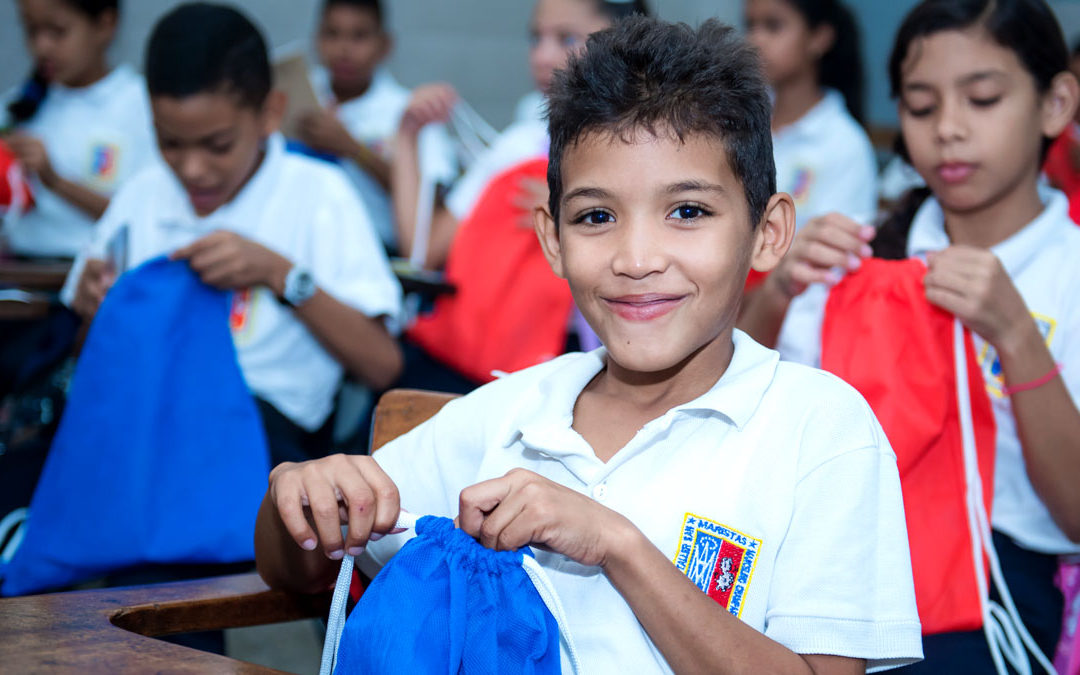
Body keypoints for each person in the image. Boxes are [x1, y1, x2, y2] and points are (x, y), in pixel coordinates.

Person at [255, 17, 923, 673]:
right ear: (553, 239)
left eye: (687, 211)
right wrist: (298, 496)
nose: (636, 258)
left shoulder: (819, 427)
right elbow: (295, 563)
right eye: (596, 216)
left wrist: (617, 543)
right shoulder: (511, 413)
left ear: (769, 232)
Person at [745, 0, 1080, 671]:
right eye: (921, 107)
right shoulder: (861, 255)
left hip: (995, 591)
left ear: (1056, 104)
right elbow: (745, 404)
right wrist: (779, 290)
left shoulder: (1067, 270)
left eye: (982, 99)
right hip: (838, 558)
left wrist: (1017, 338)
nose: (949, 129)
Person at [59, 2, 403, 465]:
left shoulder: (320, 195)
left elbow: (382, 364)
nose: (192, 169)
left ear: (269, 113)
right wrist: (96, 311)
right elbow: (89, 368)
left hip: (262, 438)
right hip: (141, 420)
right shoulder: (143, 194)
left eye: (218, 146)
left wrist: (279, 274)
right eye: (169, 143)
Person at [390, 0, 648, 270]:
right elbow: (424, 252)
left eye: (566, 38)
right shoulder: (519, 149)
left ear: (628, 42)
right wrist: (408, 137)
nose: (541, 57)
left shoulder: (667, 144)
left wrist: (581, 213)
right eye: (536, 39)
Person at [742, 0, 877, 364]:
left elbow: (827, 268)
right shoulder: (737, 119)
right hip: (728, 321)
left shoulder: (843, 144)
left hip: (798, 345)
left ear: (819, 38)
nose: (755, 40)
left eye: (773, 26)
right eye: (750, 25)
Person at [298, 0, 458, 251]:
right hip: (302, 244)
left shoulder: (412, 113)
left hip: (381, 251)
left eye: (359, 36)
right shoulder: (296, 95)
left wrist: (354, 149)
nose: (343, 49)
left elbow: (432, 206)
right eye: (332, 34)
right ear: (316, 39)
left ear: (385, 45)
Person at [2, 0, 155, 259]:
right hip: (20, 272)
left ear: (106, 25)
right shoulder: (15, 106)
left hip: (96, 277)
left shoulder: (141, 106)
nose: (42, 47)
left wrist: (54, 180)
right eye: (31, 31)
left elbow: (147, 217)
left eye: (57, 31)